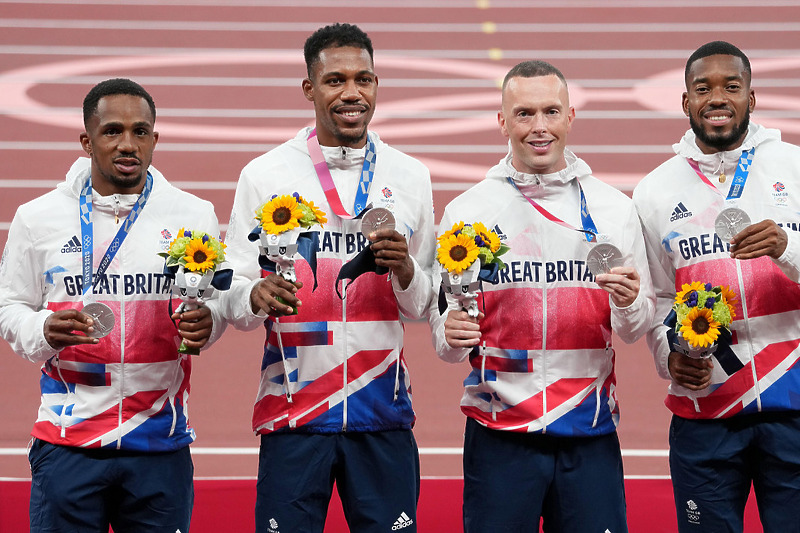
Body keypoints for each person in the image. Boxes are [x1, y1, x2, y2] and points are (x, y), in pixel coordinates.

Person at [218, 23, 435, 532]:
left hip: (382, 411)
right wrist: (254, 294)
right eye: (335, 80)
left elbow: (427, 304)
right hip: (293, 413)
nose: (352, 93)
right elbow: (228, 291)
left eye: (364, 79)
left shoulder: (409, 176)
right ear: (309, 89)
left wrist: (404, 269)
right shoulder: (265, 174)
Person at [431, 60, 655, 532]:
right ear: (503, 121)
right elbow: (445, 339)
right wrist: (450, 334)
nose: (539, 128)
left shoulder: (614, 208)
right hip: (498, 436)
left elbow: (635, 329)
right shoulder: (467, 211)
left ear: (570, 117)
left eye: (551, 112)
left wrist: (630, 301)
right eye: (525, 113)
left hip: (589, 432)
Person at [0, 78, 225, 532]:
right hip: (69, 444)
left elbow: (210, 307)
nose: (128, 144)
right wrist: (42, 330)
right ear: (87, 140)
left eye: (141, 132)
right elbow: (10, 308)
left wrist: (210, 322)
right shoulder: (37, 218)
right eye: (112, 131)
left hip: (159, 445)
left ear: (155, 139)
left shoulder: (192, 214)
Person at [633, 40, 800, 532]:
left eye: (732, 86)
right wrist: (669, 356)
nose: (717, 98)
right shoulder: (655, 191)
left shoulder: (794, 168)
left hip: (793, 402)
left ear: (752, 97)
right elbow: (659, 297)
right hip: (706, 408)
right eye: (703, 88)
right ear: (686, 102)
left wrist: (787, 247)